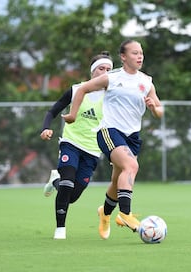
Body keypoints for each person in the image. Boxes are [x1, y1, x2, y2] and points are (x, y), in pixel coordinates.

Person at [62, 39, 164, 239]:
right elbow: (82, 89)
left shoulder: (146, 81)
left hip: (132, 137)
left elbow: (160, 110)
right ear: (123, 57)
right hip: (109, 131)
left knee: (118, 180)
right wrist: (73, 115)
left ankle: (105, 213)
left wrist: (154, 108)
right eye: (134, 53)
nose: (140, 56)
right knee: (132, 166)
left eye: (141, 53)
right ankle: (125, 213)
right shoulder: (112, 78)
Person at [40, 52, 113, 239]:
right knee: (67, 183)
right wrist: (46, 128)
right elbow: (53, 110)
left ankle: (55, 179)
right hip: (70, 144)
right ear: (92, 72)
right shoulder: (76, 90)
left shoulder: (112, 96)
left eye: (109, 70)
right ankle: (60, 229)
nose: (105, 72)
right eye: (101, 69)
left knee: (72, 196)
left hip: (93, 151)